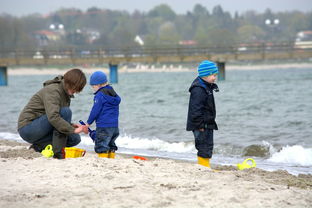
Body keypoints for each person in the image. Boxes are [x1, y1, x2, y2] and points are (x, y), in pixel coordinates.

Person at [18, 68, 88, 159]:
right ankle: (58, 153)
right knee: (66, 112)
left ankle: (38, 146)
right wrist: (73, 130)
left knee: (75, 139)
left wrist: (71, 126)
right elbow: (53, 117)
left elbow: (55, 117)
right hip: (28, 128)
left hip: (42, 126)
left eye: (78, 89)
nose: (75, 90)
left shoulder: (66, 93)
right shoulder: (53, 90)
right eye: (74, 87)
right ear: (68, 82)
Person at [186, 60, 219, 168]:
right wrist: (199, 125)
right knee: (203, 146)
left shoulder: (207, 85)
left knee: (208, 145)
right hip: (201, 124)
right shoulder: (199, 89)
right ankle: (203, 166)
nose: (214, 77)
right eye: (212, 75)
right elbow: (195, 109)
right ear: (204, 75)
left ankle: (205, 165)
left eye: (215, 75)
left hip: (207, 123)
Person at [84, 71, 121, 158]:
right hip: (115, 126)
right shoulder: (113, 94)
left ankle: (103, 160)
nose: (93, 88)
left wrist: (88, 123)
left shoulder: (100, 95)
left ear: (98, 85)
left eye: (93, 86)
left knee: (101, 145)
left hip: (104, 126)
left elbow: (95, 110)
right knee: (111, 144)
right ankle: (111, 158)